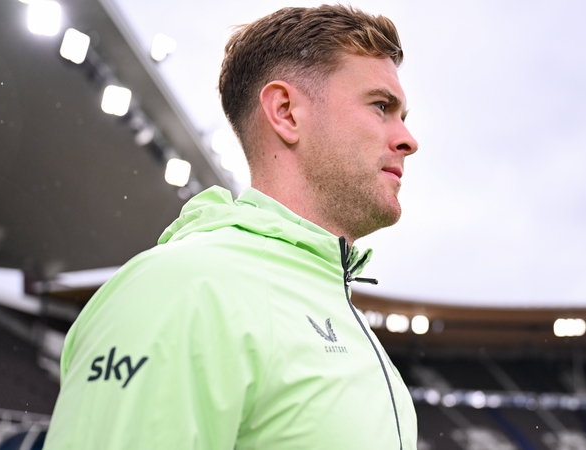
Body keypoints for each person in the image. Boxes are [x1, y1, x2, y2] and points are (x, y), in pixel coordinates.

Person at [44, 5, 419, 449]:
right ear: (285, 112)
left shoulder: (347, 320)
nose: (408, 141)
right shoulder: (179, 291)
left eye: (403, 117)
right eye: (381, 106)